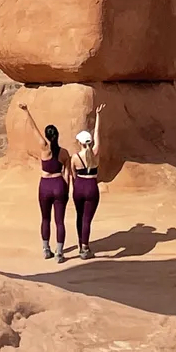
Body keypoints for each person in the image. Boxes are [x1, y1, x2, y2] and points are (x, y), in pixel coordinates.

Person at [23, 106, 70, 261]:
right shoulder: (64, 152)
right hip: (59, 184)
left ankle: (46, 249)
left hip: (45, 185)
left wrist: (26, 111)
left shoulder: (44, 147)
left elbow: (33, 128)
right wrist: (67, 190)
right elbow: (68, 173)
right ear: (57, 135)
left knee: (45, 219)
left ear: (47, 136)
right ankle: (59, 252)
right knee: (60, 221)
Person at [72, 107, 102, 259]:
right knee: (87, 219)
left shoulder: (75, 157)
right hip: (91, 187)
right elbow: (98, 135)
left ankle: (80, 243)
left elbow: (72, 174)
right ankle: (85, 247)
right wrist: (98, 116)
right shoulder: (95, 152)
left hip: (79, 187)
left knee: (79, 215)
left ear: (80, 142)